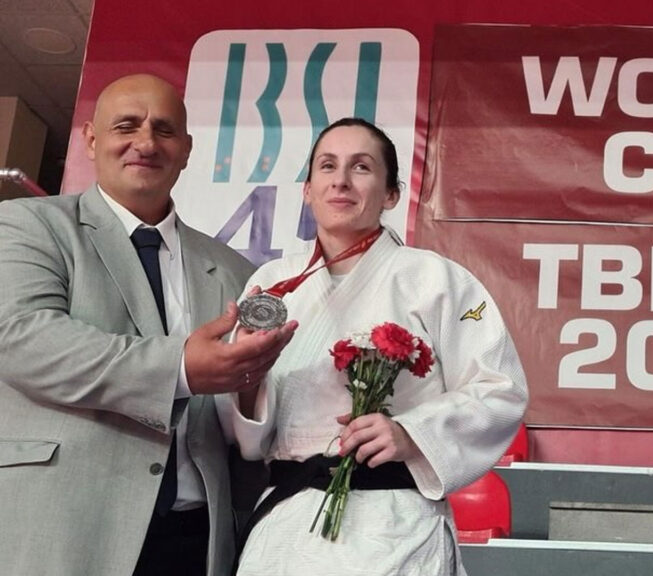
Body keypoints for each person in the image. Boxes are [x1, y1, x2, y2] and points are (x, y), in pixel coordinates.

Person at [0, 73, 298, 576]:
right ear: (91, 139)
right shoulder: (29, 225)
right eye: (126, 126)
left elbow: (242, 411)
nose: (145, 142)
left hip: (196, 538)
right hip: (65, 524)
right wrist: (180, 368)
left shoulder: (236, 270)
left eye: (164, 129)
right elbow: (23, 339)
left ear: (186, 149)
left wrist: (250, 389)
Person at [217, 117, 529, 575]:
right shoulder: (272, 283)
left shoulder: (436, 279)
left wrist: (411, 433)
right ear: (308, 190)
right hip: (287, 527)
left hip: (394, 527)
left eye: (361, 167)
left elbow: (500, 390)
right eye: (327, 166)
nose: (341, 180)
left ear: (391, 195)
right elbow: (247, 439)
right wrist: (248, 377)